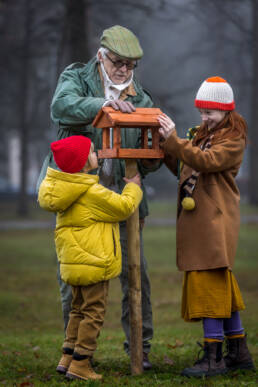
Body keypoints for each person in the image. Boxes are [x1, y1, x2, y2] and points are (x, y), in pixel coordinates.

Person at [37, 25, 160, 369]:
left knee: (137, 276)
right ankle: (75, 352)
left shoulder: (142, 99)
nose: (124, 70)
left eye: (131, 65)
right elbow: (60, 108)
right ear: (101, 56)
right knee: (74, 280)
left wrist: (161, 146)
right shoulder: (76, 77)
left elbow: (147, 163)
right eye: (118, 62)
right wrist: (102, 103)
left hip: (121, 200)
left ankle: (140, 349)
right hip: (77, 199)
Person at [158, 76, 255, 377]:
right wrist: (167, 150)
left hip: (215, 219)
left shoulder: (233, 138)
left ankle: (213, 358)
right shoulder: (203, 134)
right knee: (220, 283)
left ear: (227, 110)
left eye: (210, 112)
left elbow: (208, 161)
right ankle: (238, 352)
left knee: (207, 284)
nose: (204, 117)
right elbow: (187, 166)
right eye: (201, 111)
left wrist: (176, 141)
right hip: (202, 220)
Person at [38, 135, 143, 381]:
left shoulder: (63, 189)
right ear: (85, 162)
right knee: (93, 312)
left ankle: (67, 357)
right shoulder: (90, 192)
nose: (98, 154)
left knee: (77, 310)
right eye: (94, 151)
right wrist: (133, 187)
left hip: (74, 264)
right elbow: (124, 207)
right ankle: (81, 363)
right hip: (94, 264)